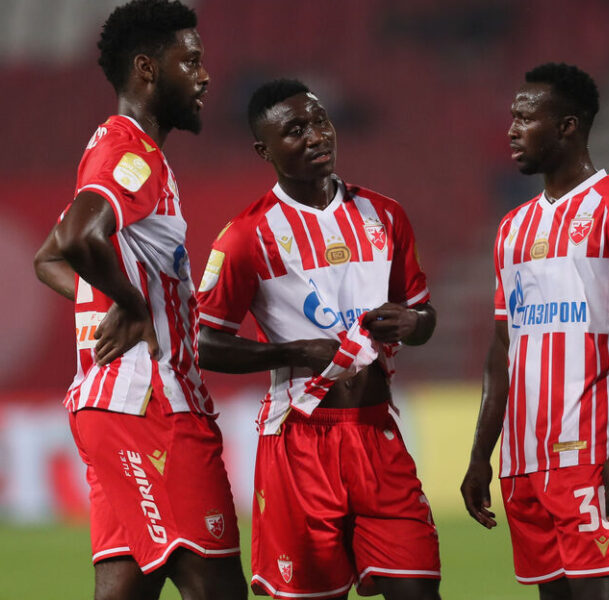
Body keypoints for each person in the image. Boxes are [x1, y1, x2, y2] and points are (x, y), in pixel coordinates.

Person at [195, 79, 441, 600]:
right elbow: (206, 344)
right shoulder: (246, 237)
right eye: (295, 130)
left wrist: (413, 323)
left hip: (377, 434)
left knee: (419, 591)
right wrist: (296, 352)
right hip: (300, 441)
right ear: (263, 150)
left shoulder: (385, 215)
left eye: (320, 121)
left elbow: (423, 315)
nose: (316, 136)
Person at [32, 1, 246, 598]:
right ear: (148, 69)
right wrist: (130, 304)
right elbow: (78, 239)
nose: (205, 76)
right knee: (218, 588)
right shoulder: (132, 155)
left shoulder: (114, 150)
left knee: (124, 590)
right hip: (150, 408)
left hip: (113, 407)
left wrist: (113, 295)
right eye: (191, 61)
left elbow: (48, 257)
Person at [460, 63, 609, 600]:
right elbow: (503, 348)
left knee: (598, 592)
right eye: (512, 118)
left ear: (568, 126)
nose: (512, 130)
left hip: (591, 453)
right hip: (523, 461)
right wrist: (481, 454)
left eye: (526, 118)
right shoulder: (511, 228)